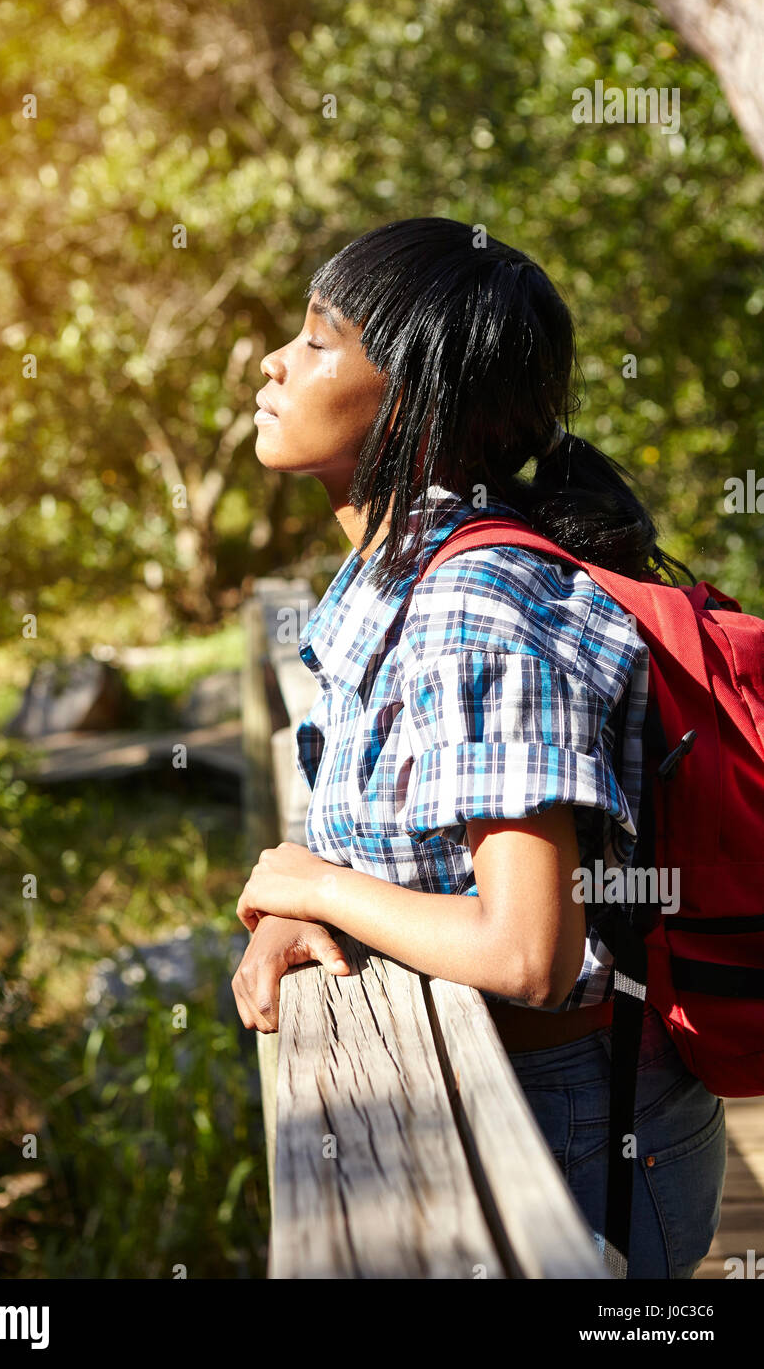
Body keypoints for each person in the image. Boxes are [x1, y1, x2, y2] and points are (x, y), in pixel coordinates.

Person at [231, 217, 727, 1278]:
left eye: (318, 340)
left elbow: (527, 951)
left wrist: (318, 885)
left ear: (406, 398)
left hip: (575, 1131)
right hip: (506, 1095)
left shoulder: (471, 598)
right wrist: (296, 907)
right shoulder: (390, 568)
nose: (272, 361)